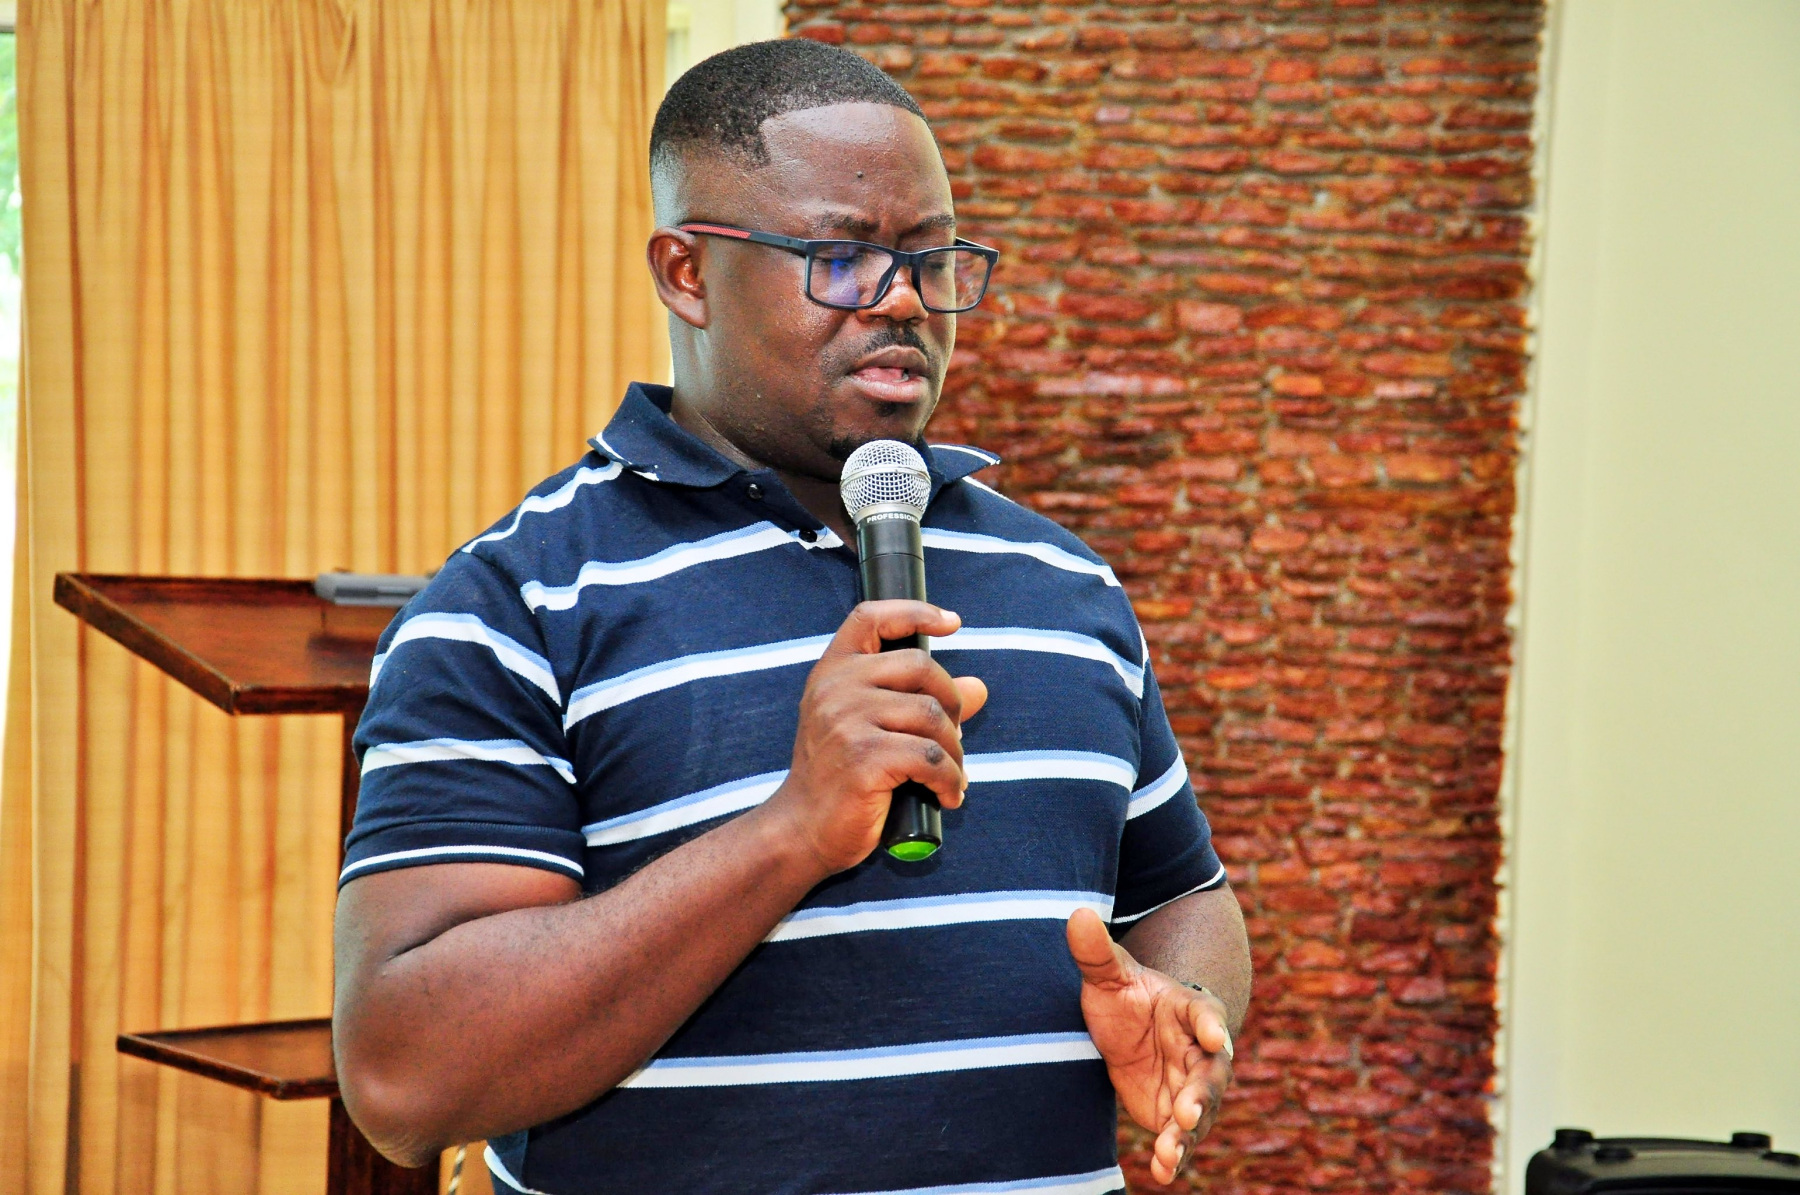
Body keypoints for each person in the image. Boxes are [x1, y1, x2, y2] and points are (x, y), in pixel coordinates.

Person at [332, 38, 1251, 1195]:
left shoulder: (1068, 586)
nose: (903, 300)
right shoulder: (515, 605)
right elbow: (403, 1080)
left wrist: (1187, 1009)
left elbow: (1183, 896)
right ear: (685, 273)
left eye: (930, 257)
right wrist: (792, 831)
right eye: (841, 257)